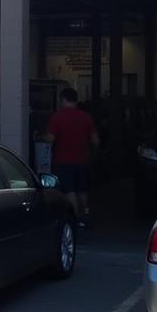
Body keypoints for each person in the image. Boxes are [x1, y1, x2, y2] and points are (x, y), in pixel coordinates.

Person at [45, 87, 99, 228]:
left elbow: (50, 139)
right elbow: (95, 140)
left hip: (63, 160)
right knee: (82, 189)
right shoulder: (86, 117)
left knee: (70, 190)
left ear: (63, 99)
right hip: (83, 160)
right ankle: (85, 212)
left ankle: (75, 217)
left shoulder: (57, 117)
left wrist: (42, 137)